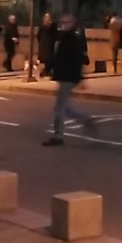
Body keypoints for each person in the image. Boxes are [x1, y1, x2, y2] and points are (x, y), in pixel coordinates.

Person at [42, 14, 97, 146]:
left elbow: (77, 59)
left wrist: (81, 77)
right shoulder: (66, 38)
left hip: (68, 76)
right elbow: (58, 57)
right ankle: (84, 119)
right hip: (65, 75)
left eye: (66, 22)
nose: (63, 25)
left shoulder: (72, 39)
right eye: (62, 22)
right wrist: (48, 67)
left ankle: (58, 135)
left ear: (73, 23)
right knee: (64, 107)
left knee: (60, 108)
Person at [37, 12, 58, 78]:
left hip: (47, 44)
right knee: (49, 59)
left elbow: (38, 35)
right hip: (46, 45)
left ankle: (46, 71)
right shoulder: (48, 25)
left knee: (49, 60)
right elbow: (38, 35)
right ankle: (45, 71)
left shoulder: (50, 25)